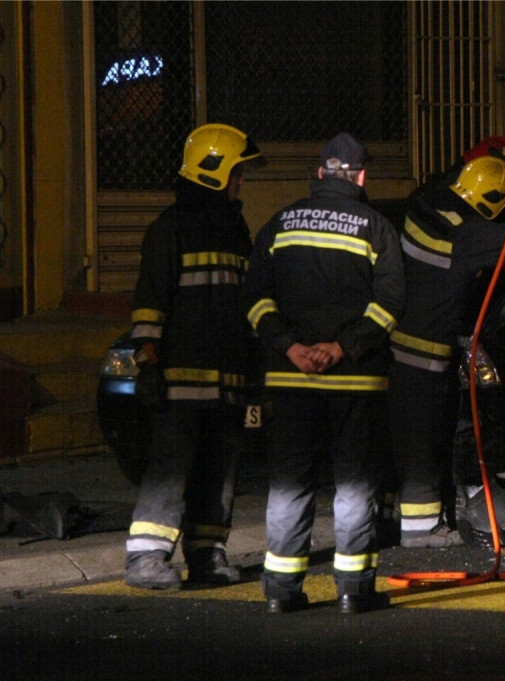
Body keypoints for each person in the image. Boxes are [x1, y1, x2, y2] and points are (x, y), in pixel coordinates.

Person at [241, 132, 405, 615]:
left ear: (318, 174)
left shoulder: (278, 224)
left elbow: (254, 300)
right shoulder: (375, 227)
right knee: (354, 483)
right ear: (360, 176)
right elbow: (390, 305)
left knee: (291, 481)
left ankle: (281, 591)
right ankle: (354, 590)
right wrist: (343, 347)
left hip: (291, 380)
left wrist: (289, 347)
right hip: (356, 379)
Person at [388, 155, 505, 548]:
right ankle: (420, 532)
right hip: (426, 360)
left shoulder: (425, 207)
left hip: (403, 354)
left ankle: (407, 520)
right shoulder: (469, 238)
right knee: (425, 444)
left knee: (414, 444)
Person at [124, 123, 264, 590]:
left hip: (228, 380)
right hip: (180, 382)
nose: (242, 183)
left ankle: (208, 554)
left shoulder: (234, 229)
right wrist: (147, 365)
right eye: (237, 174)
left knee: (220, 474)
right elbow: (148, 307)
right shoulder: (169, 230)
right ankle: (146, 559)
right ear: (212, 173)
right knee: (169, 472)